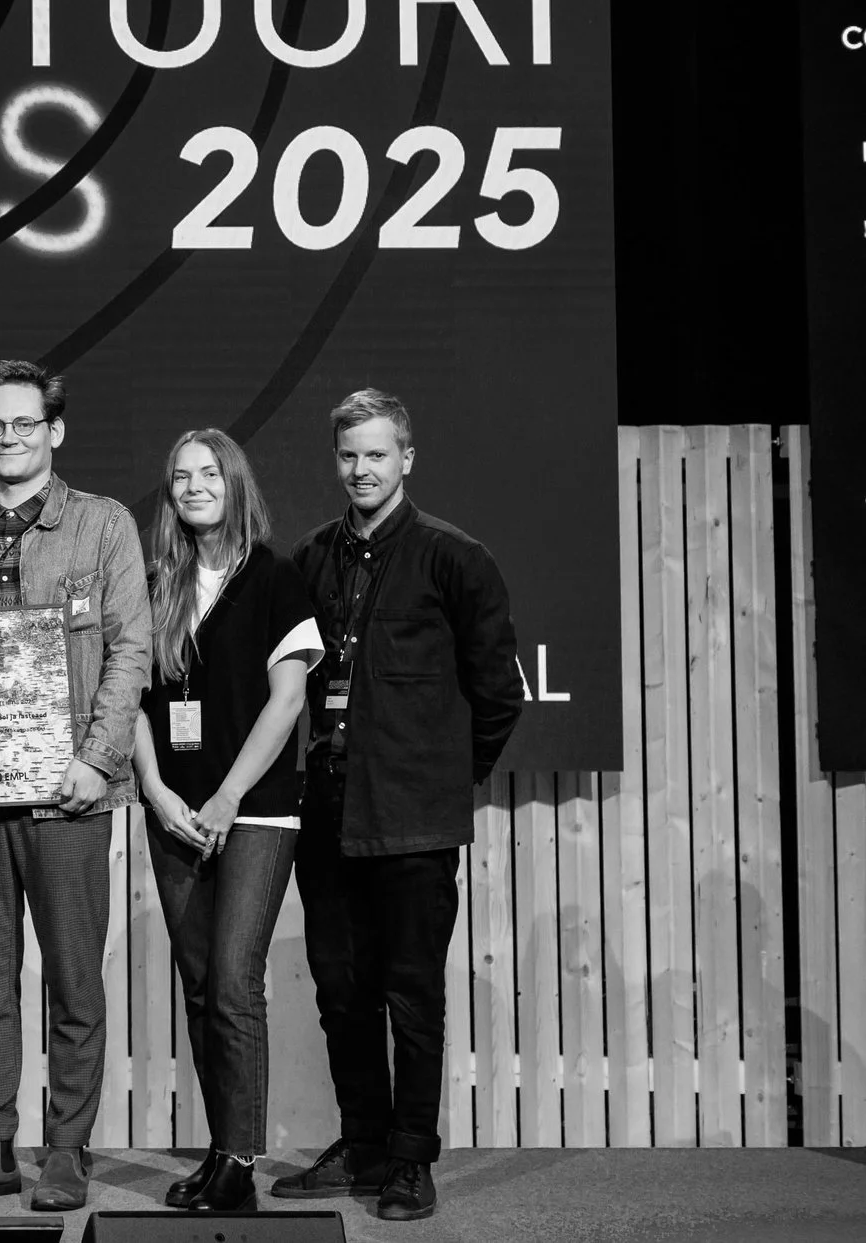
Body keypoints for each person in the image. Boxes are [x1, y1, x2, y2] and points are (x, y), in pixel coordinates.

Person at [272, 390, 523, 1224]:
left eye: (377, 454)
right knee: (342, 988)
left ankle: (412, 1156)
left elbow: (497, 695)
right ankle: (365, 1141)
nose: (361, 469)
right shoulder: (310, 557)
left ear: (406, 458)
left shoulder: (456, 556)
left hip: (414, 812)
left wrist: (444, 776)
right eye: (348, 455)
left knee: (412, 991)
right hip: (328, 807)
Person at [0, 359, 148, 1212]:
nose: (9, 438)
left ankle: (67, 1151)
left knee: (75, 980)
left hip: (69, 792)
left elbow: (130, 649)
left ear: (54, 430)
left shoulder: (103, 525)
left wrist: (97, 757)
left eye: (25, 424)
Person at [129, 429, 322, 1214]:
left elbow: (288, 701)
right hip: (173, 812)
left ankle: (240, 1161)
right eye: (181, 475)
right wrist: (154, 790)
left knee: (237, 979)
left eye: (209, 472)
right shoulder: (155, 582)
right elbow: (130, 697)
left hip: (257, 810)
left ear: (235, 482)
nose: (195, 485)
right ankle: (219, 1150)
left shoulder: (275, 578)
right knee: (203, 984)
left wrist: (227, 796)